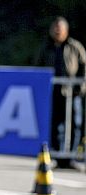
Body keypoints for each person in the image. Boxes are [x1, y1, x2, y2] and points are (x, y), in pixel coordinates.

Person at [35, 17, 86, 169]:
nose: (57, 31)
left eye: (60, 28)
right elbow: (39, 67)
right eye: (55, 28)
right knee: (54, 124)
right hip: (52, 92)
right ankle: (55, 155)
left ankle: (71, 157)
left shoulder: (74, 47)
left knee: (74, 124)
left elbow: (83, 67)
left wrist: (80, 88)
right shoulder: (46, 47)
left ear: (66, 30)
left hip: (71, 93)